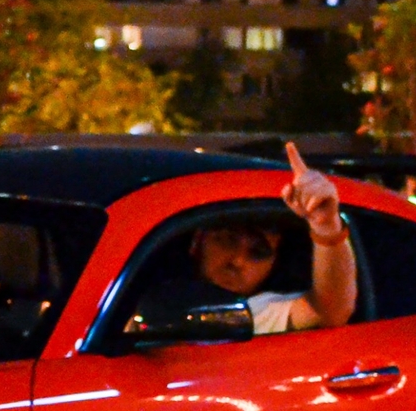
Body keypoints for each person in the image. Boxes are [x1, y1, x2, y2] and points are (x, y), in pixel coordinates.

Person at [150, 142, 358, 335]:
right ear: (197, 241)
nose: (238, 261)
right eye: (228, 240)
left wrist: (326, 226)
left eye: (258, 253)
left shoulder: (257, 312)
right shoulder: (151, 298)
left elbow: (330, 310)